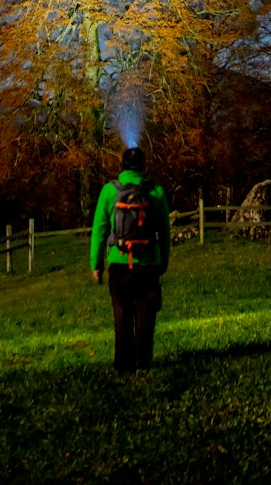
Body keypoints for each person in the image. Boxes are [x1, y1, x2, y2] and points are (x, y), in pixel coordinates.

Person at [90, 145, 172, 373]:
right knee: (146, 313)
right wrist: (163, 261)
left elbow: (99, 230)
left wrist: (96, 264)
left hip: (119, 261)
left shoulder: (109, 191)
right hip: (148, 263)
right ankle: (143, 362)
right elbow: (164, 233)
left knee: (122, 312)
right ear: (144, 167)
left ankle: (122, 364)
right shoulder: (155, 191)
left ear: (122, 167)